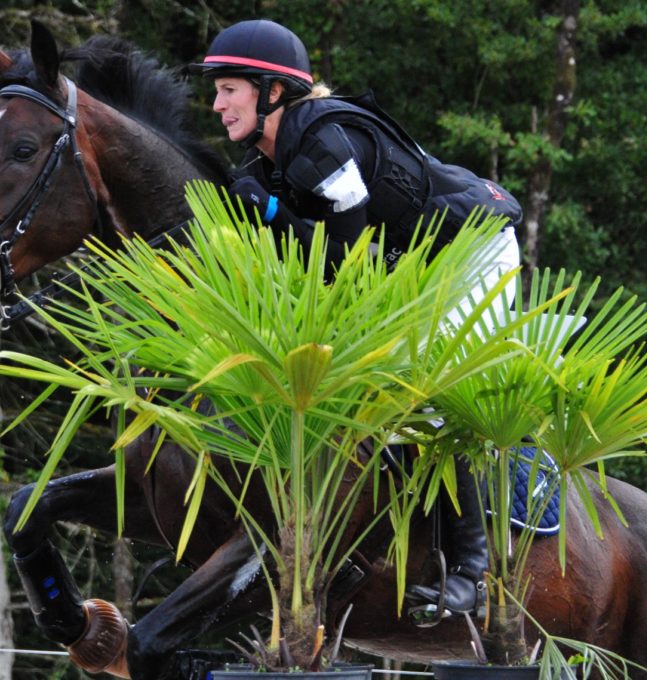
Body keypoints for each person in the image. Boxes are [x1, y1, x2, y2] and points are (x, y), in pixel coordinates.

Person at [188, 18, 523, 617]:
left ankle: (473, 570)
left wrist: (268, 210)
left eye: (228, 89)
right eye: (216, 91)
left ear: (270, 92)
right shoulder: (269, 161)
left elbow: (342, 263)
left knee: (430, 387)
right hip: (409, 265)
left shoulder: (324, 142)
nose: (215, 104)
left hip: (473, 249)